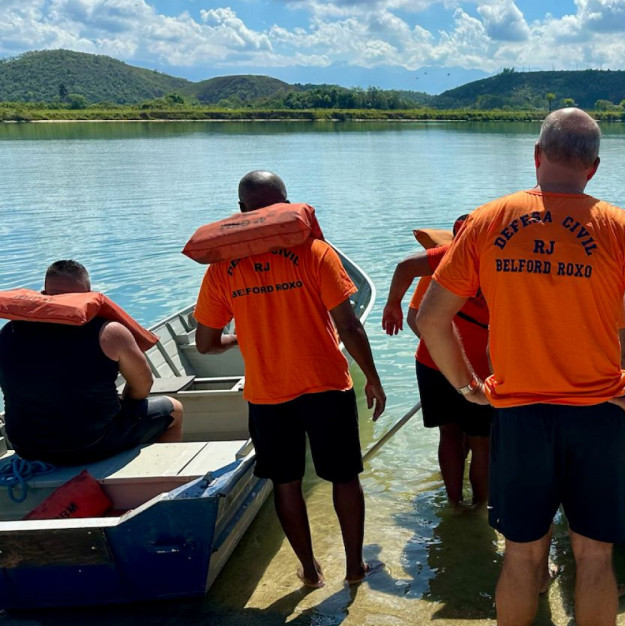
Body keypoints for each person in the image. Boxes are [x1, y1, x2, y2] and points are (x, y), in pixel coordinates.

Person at [416, 109, 625, 626]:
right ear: (593, 167)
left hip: (518, 418)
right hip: (596, 416)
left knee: (522, 557)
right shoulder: (619, 226)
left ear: (536, 155)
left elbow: (429, 317)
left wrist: (468, 387)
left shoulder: (490, 221)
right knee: (594, 558)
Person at [192, 171, 387, 589]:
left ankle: (311, 572)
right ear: (285, 203)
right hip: (326, 386)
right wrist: (373, 378)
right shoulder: (315, 252)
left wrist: (236, 338)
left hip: (268, 394)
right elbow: (349, 326)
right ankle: (354, 568)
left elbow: (205, 343)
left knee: (286, 483)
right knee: (344, 477)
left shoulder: (223, 270)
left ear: (242, 211)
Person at [0, 260, 183, 464]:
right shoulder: (110, 332)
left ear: (43, 294)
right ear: (89, 295)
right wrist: (125, 405)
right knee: (175, 409)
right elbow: (143, 386)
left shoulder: (8, 332)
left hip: (25, 446)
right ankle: (156, 471)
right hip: (91, 444)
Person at [381, 215, 493, 510]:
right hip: (481, 370)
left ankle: (455, 503)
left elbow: (415, 313)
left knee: (450, 434)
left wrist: (392, 303)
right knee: (482, 441)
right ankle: (481, 507)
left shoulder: (445, 260)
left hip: (433, 363)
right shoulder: (504, 260)